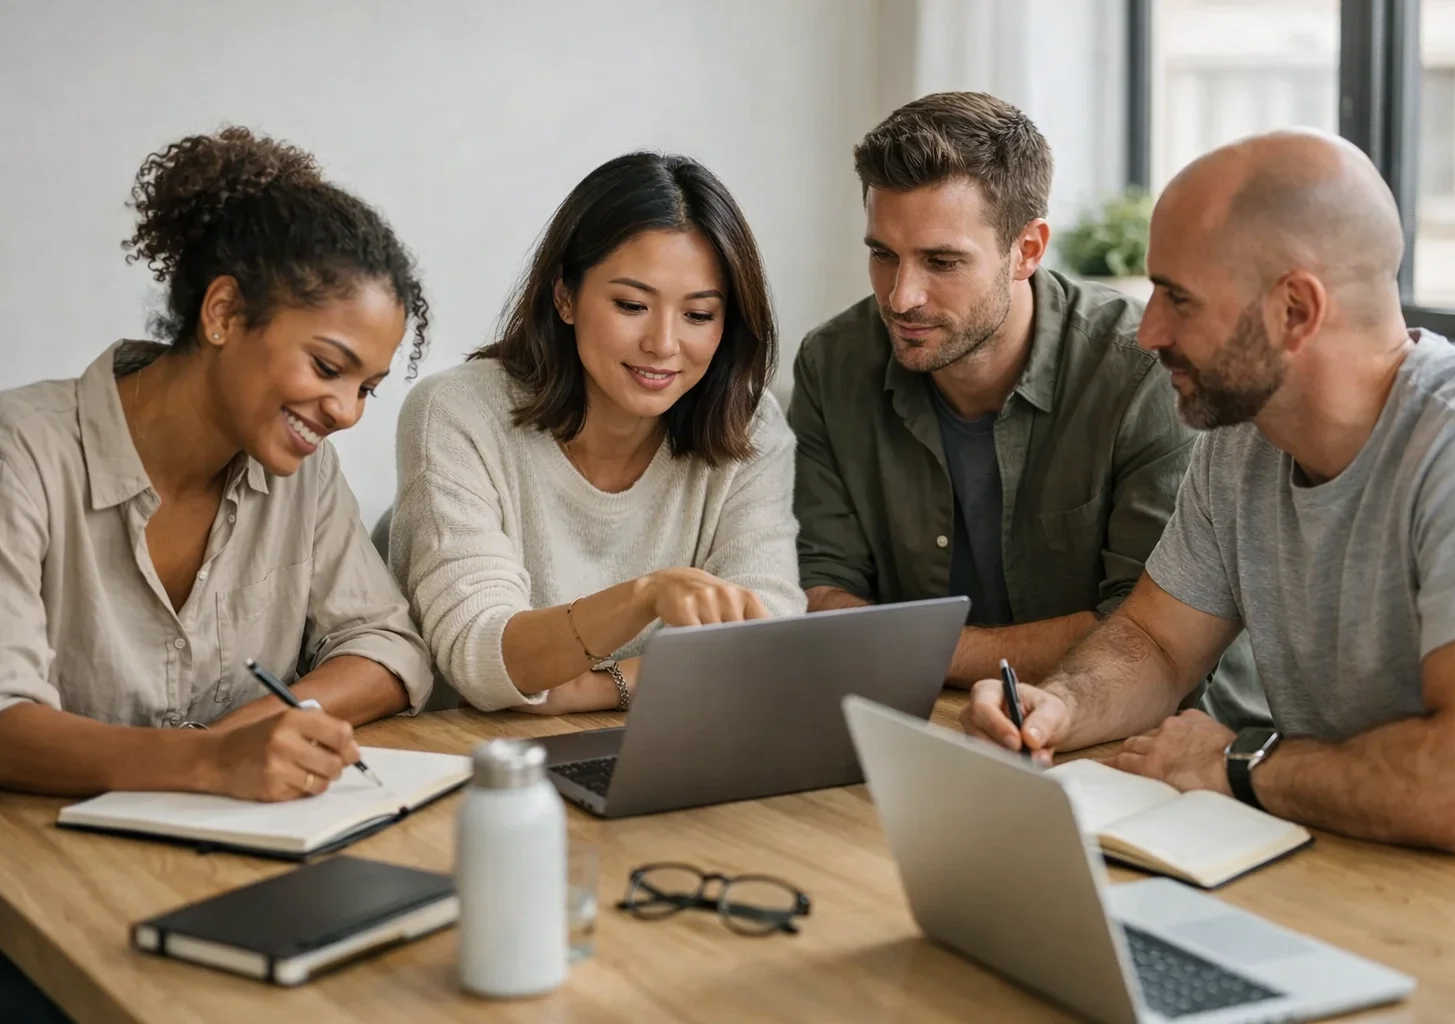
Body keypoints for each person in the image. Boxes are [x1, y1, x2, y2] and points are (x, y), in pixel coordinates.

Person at [962, 129, 1455, 869]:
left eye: (1178, 298)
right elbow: (1157, 643)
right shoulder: (1246, 437)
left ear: (1295, 309)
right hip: (1343, 862)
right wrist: (1060, 706)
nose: (1149, 334)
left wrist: (1238, 763)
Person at [789, 91, 1265, 725]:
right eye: (883, 254)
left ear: (1029, 249)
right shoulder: (833, 362)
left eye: (942, 261)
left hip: (1147, 733)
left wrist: (911, 647)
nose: (901, 297)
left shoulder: (1142, 371)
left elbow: (1143, 630)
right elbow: (818, 588)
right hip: (921, 719)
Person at [0, 128, 435, 803]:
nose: (347, 411)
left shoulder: (304, 472)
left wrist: (248, 736)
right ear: (224, 312)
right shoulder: (22, 453)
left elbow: (387, 647)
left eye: (367, 388)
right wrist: (207, 760)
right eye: (327, 367)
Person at [391, 152, 804, 714]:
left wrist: (590, 688)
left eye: (699, 315)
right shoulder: (458, 411)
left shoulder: (749, 425)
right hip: (481, 760)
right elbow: (480, 654)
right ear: (565, 296)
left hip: (664, 743)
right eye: (632, 304)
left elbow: (767, 639)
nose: (662, 343)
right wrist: (648, 595)